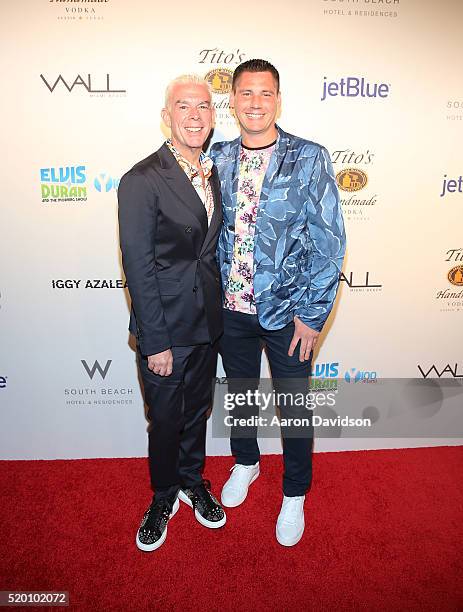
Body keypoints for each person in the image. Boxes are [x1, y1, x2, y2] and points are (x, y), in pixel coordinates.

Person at [210, 59, 345, 547]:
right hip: (230, 308)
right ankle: (245, 462)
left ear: (278, 100)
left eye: (264, 93)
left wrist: (311, 316)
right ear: (233, 101)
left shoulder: (308, 157)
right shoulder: (219, 157)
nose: (254, 103)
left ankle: (294, 492)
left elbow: (330, 242)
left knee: (293, 406)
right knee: (241, 395)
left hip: (288, 314)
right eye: (245, 93)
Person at [118, 75, 226, 552]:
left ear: (212, 116)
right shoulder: (142, 179)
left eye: (203, 106)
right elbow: (138, 267)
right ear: (167, 115)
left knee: (197, 411)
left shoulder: (212, 172)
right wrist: (155, 340)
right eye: (184, 106)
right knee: (164, 418)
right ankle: (163, 494)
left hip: (207, 323)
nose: (195, 115)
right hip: (166, 328)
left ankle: (191, 479)